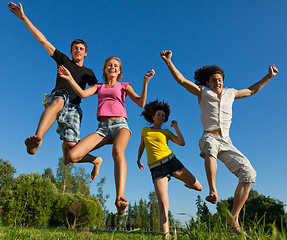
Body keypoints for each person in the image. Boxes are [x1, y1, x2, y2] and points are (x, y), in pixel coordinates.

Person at [160, 50, 278, 233]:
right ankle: (213, 191)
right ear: (207, 82)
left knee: (249, 175)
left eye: (220, 79)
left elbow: (252, 90)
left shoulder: (231, 93)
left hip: (227, 142)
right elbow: (182, 81)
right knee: (210, 147)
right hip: (209, 136)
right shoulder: (202, 92)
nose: (218, 82)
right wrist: (168, 62)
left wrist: (268, 76)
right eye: (214, 80)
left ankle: (234, 218)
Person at [8, 2, 103, 178]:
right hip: (61, 96)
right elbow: (43, 40)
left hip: (75, 107)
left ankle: (96, 160)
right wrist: (23, 18)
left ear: (86, 53)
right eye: (75, 48)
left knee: (70, 155)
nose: (78, 51)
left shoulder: (89, 73)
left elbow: (99, 91)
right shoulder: (63, 60)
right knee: (58, 100)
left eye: (81, 49)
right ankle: (37, 139)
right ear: (71, 51)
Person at [58, 56, 155, 215]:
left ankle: (120, 197)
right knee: (71, 156)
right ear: (104, 69)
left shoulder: (124, 85)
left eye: (116, 65)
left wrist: (145, 82)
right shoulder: (99, 86)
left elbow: (140, 102)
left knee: (117, 151)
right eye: (109, 65)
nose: (113, 67)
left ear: (119, 71)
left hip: (120, 126)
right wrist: (69, 77)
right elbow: (82, 94)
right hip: (102, 129)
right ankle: (96, 161)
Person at [137, 100, 202, 239]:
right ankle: (166, 236)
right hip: (156, 169)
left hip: (172, 162)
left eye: (163, 115)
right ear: (153, 116)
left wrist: (176, 127)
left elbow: (181, 143)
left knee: (199, 187)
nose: (161, 116)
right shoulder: (145, 131)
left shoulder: (166, 132)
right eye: (158, 114)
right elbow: (142, 146)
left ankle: (187, 185)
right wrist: (138, 159)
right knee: (163, 203)